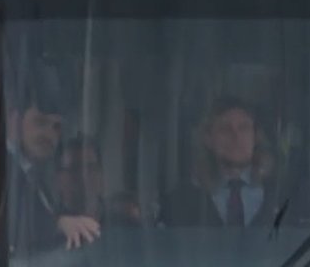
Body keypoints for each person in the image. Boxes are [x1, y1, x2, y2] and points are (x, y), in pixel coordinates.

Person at [4, 70, 100, 253]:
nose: (49, 135)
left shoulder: (33, 175)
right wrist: (58, 225)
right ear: (13, 120)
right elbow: (6, 225)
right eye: (40, 123)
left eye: (56, 127)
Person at [162, 96, 279, 227]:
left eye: (244, 128)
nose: (236, 137)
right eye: (225, 129)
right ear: (208, 139)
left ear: (255, 137)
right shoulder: (181, 199)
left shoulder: (280, 193)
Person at [60, 134, 143, 227]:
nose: (83, 176)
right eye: (74, 169)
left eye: (91, 168)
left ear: (101, 174)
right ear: (59, 178)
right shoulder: (49, 226)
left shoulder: (126, 225)